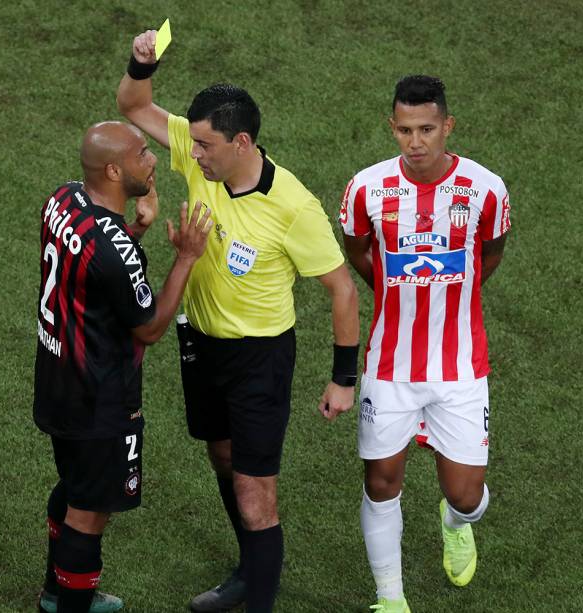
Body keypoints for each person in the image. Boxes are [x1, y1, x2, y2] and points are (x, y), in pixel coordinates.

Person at [116, 29, 360, 613]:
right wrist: (141, 61)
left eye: (203, 146)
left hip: (259, 358)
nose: (191, 155)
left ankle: (257, 597)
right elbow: (132, 105)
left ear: (241, 141)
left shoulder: (294, 207)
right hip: (200, 343)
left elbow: (342, 289)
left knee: (256, 497)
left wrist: (343, 379)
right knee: (222, 458)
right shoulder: (204, 160)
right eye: (192, 144)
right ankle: (250, 571)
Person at [339, 75, 511, 612]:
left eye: (427, 129)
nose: (416, 142)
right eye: (405, 130)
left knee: (465, 495)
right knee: (382, 482)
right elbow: (358, 251)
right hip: (388, 367)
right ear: (392, 128)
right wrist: (396, 290)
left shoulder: (486, 188)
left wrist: (448, 294)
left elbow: (490, 255)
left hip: (461, 367)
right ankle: (390, 599)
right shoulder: (367, 188)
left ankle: (454, 523)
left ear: (447, 127)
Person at [33, 120, 213, 613]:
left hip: (57, 380)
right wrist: (185, 258)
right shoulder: (116, 251)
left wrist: (133, 229)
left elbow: (91, 267)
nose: (152, 158)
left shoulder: (63, 199)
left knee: (75, 486)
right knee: (90, 512)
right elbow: (149, 327)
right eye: (141, 153)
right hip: (99, 397)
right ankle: (70, 602)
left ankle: (55, 592)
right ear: (113, 170)